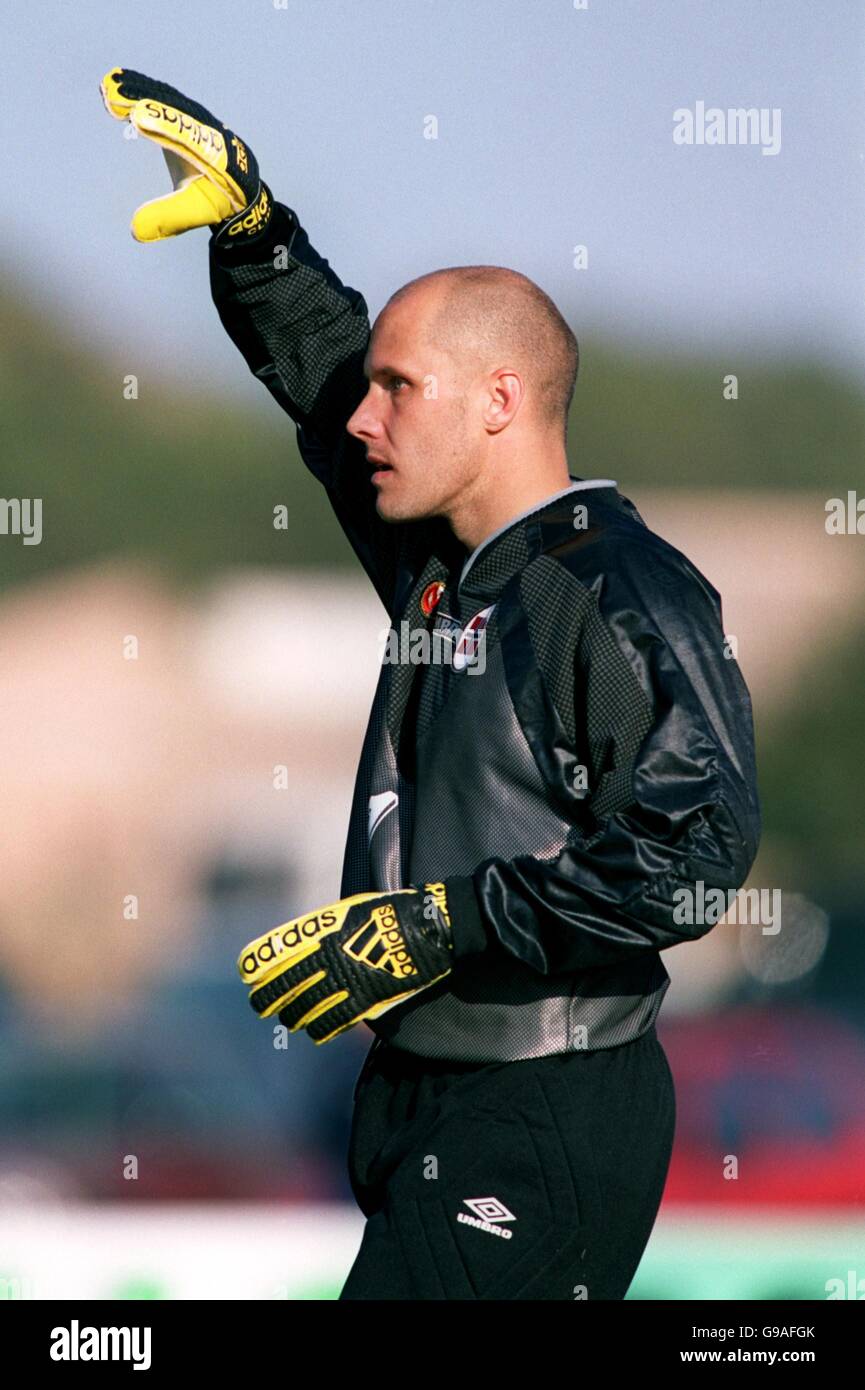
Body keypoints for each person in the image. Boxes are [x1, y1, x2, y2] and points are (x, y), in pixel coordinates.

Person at [101, 69, 761, 1300]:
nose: (367, 415)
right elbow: (322, 376)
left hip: (546, 1106)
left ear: (501, 401)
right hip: (422, 1097)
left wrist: (440, 923)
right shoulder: (445, 565)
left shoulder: (619, 589)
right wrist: (257, 237)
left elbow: (698, 850)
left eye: (402, 390)